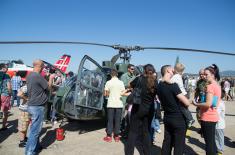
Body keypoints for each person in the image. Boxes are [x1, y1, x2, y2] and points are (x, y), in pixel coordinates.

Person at [156, 65, 191, 155]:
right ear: (167, 70)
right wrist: (191, 100)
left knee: (167, 142)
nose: (174, 71)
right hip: (178, 119)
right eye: (172, 70)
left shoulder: (159, 86)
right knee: (179, 145)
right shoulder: (173, 85)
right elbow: (186, 103)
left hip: (167, 117)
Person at [125, 64, 157, 155]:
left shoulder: (139, 79)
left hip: (138, 108)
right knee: (146, 132)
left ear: (144, 71)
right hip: (149, 109)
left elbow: (129, 85)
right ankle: (147, 152)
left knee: (133, 132)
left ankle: (129, 153)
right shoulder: (155, 81)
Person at [25, 60, 53, 155]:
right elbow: (49, 88)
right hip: (37, 107)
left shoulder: (30, 75)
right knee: (35, 132)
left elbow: (38, 87)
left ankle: (36, 146)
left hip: (32, 105)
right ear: (40, 66)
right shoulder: (38, 76)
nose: (43, 69)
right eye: (43, 67)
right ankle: (30, 152)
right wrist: (51, 78)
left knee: (34, 129)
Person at [192, 64, 221, 155]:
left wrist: (196, 104)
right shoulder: (216, 84)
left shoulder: (210, 86)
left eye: (206, 74)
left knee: (209, 144)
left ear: (213, 75)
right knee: (211, 142)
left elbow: (208, 104)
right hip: (212, 116)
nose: (204, 76)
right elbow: (214, 102)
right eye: (203, 74)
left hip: (208, 117)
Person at [103, 69, 126, 142]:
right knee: (117, 120)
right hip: (119, 104)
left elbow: (106, 94)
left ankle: (109, 136)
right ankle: (116, 136)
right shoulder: (121, 82)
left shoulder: (108, 82)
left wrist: (109, 93)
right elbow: (123, 92)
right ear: (117, 74)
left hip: (111, 104)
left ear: (111, 75)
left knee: (110, 120)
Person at [171, 63, 194, 127]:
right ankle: (188, 119)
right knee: (184, 108)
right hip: (184, 93)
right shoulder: (179, 76)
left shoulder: (175, 77)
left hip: (182, 94)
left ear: (175, 69)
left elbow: (170, 82)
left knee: (183, 108)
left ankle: (190, 119)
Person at [120, 64, 136, 137]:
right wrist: (131, 87)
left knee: (129, 115)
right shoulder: (124, 76)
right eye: (132, 69)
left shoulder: (134, 77)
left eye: (133, 69)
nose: (133, 70)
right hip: (124, 97)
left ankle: (127, 130)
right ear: (128, 69)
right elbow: (123, 85)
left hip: (131, 98)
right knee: (122, 114)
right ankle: (121, 128)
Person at [0, 63, 12, 131]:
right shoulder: (7, 75)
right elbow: (9, 87)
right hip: (5, 95)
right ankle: (3, 126)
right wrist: (10, 93)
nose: (7, 69)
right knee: (5, 111)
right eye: (7, 68)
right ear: (3, 68)